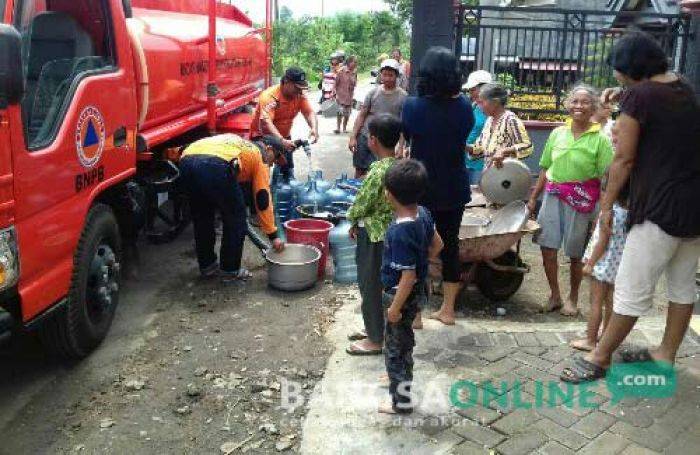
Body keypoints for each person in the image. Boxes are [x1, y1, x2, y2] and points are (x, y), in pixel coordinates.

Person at [562, 32, 700, 383]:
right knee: (682, 287)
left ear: (631, 68)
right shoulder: (682, 86)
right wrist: (624, 100)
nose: (617, 78)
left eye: (619, 72)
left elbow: (623, 159)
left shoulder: (639, 96)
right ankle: (665, 355)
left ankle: (600, 356)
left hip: (658, 207)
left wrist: (606, 209)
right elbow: (658, 116)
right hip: (692, 204)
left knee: (631, 287)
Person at [401, 47, 474, 326]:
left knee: (417, 247)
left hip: (421, 188)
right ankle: (448, 310)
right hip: (454, 187)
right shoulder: (466, 106)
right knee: (450, 246)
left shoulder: (413, 106)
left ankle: (416, 314)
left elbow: (407, 136)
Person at [528, 85, 613, 316]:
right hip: (553, 196)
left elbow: (606, 179)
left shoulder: (600, 140)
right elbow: (545, 167)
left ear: (593, 106)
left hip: (583, 200)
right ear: (568, 105)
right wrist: (533, 198)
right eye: (575, 101)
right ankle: (554, 294)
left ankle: (573, 298)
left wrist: (603, 212)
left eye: (585, 102)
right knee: (547, 247)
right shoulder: (557, 133)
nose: (579, 106)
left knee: (576, 252)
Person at [379, 159, 443, 414]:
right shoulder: (424, 214)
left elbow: (407, 276)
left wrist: (394, 308)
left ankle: (401, 401)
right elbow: (438, 245)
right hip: (417, 293)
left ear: (389, 194)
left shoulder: (399, 231)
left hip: (400, 295)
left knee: (395, 348)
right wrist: (422, 262)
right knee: (403, 340)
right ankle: (399, 378)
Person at [180, 134, 286, 279]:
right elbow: (262, 199)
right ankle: (230, 270)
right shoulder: (259, 156)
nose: (273, 164)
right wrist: (273, 235)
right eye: (276, 156)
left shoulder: (238, 143)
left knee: (202, 218)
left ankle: (207, 266)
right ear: (268, 148)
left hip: (187, 160)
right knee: (236, 219)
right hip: (215, 164)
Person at [346, 114, 401, 356]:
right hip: (389, 233)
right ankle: (374, 329)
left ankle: (376, 339)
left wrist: (350, 218)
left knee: (369, 285)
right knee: (380, 285)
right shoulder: (398, 165)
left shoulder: (377, 171)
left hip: (373, 236)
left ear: (373, 140)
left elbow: (362, 203)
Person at [570, 177, 629, 352]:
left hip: (602, 266)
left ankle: (590, 339)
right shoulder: (631, 214)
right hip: (618, 267)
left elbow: (602, 243)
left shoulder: (610, 214)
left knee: (595, 303)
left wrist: (590, 263)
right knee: (611, 303)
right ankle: (605, 338)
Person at [250, 67, 319, 183]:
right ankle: (262, 191)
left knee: (287, 169)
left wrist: (314, 128)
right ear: (286, 82)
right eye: (296, 88)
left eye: (300, 88)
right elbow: (266, 123)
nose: (299, 91)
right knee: (263, 166)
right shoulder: (270, 97)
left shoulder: (299, 95)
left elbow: (309, 112)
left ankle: (284, 188)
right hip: (263, 136)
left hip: (284, 136)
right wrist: (281, 141)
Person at [349, 59, 407, 178]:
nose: (387, 78)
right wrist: (353, 136)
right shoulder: (373, 93)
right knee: (360, 169)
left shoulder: (403, 97)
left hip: (385, 142)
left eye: (390, 75)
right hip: (365, 136)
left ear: (397, 76)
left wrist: (401, 147)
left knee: (381, 173)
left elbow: (402, 125)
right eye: (384, 74)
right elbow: (362, 115)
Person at [467, 83, 532, 169]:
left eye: (482, 103)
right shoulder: (489, 121)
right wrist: (465, 146)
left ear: (495, 102)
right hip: (490, 176)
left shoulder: (511, 120)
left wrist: (505, 151)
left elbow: (527, 147)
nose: (480, 106)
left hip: (508, 178)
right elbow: (481, 149)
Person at [462, 70, 493, 185]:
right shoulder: (473, 107)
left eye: (473, 89)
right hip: (466, 160)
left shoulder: (492, 110)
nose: (470, 93)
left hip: (481, 164)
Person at [334, 56, 358, 134]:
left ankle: (344, 128)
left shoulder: (354, 72)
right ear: (349, 62)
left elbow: (355, 84)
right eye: (354, 62)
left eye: (356, 62)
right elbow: (336, 83)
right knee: (340, 112)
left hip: (349, 96)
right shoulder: (341, 71)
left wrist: (352, 78)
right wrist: (335, 93)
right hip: (341, 95)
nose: (355, 64)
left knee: (347, 113)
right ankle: (338, 127)